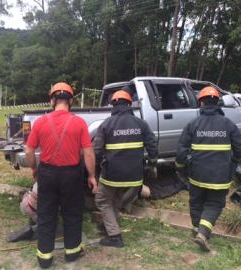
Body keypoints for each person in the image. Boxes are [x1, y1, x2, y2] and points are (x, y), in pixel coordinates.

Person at [25, 82, 98, 269]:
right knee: (72, 214)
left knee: (46, 214)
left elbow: (29, 150)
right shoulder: (79, 123)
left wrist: (34, 168)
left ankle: (45, 258)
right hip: (72, 175)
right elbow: (88, 153)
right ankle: (72, 254)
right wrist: (91, 176)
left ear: (52, 100)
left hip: (47, 174)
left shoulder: (40, 122)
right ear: (71, 101)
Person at [176, 86, 241, 252]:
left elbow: (181, 151)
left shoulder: (193, 124)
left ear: (201, 103)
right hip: (220, 176)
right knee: (214, 204)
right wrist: (233, 161)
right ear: (218, 103)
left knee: (196, 202)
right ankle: (203, 232)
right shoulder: (228, 124)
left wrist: (180, 168)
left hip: (197, 175)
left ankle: (197, 230)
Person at [94, 88, 158, 248]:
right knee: (115, 200)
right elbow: (153, 147)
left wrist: (95, 168)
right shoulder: (141, 124)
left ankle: (115, 236)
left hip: (112, 176)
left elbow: (96, 151)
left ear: (113, 105)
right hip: (135, 176)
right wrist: (152, 165)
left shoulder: (106, 124)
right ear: (129, 104)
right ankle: (110, 225)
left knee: (102, 200)